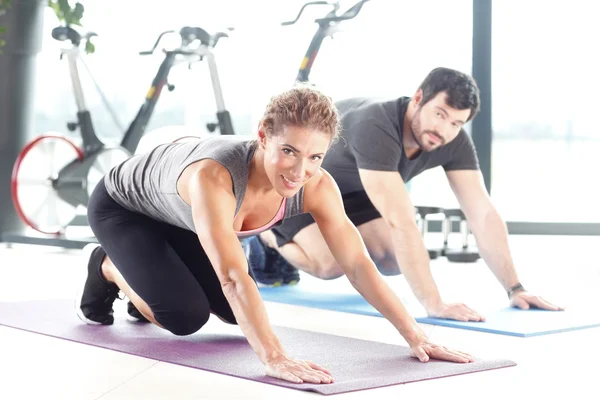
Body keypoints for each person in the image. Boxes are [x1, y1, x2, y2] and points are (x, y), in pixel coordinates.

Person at [76, 83, 475, 386]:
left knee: (237, 314)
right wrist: (274, 357)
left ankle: (148, 276)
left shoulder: (317, 186)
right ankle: (108, 265)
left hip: (178, 216)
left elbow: (356, 263)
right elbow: (233, 277)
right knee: (183, 317)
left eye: (315, 156)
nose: (300, 171)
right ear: (264, 136)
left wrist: (416, 336)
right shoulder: (214, 178)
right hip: (124, 208)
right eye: (289, 151)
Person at [249, 68, 564, 322]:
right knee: (333, 263)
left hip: (357, 193)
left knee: (393, 259)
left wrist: (515, 287)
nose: (445, 130)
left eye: (457, 122)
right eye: (440, 114)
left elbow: (482, 213)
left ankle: (315, 238)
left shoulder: (452, 141)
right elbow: (401, 221)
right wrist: (433, 303)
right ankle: (268, 238)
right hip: (303, 187)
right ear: (418, 98)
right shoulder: (377, 124)